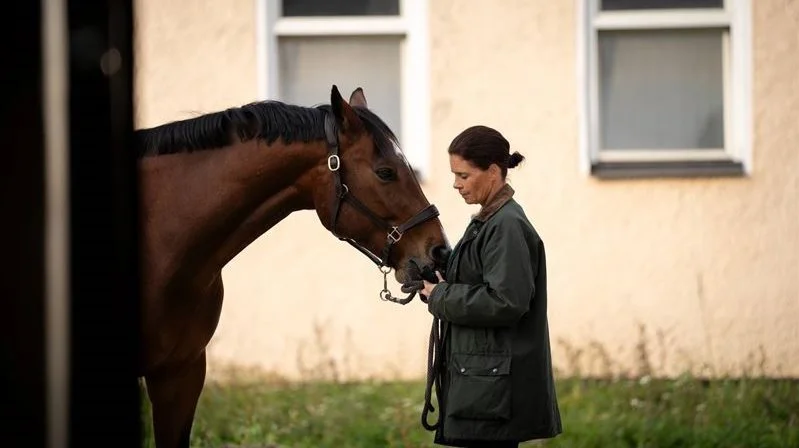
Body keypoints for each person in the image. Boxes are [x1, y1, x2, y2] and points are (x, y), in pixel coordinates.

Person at [419, 125, 562, 448]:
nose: (455, 184)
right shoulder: (490, 221)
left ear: (494, 172)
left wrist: (440, 296)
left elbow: (506, 301)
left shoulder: (506, 225)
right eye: (454, 175)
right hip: (484, 388)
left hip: (492, 395)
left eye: (464, 175)